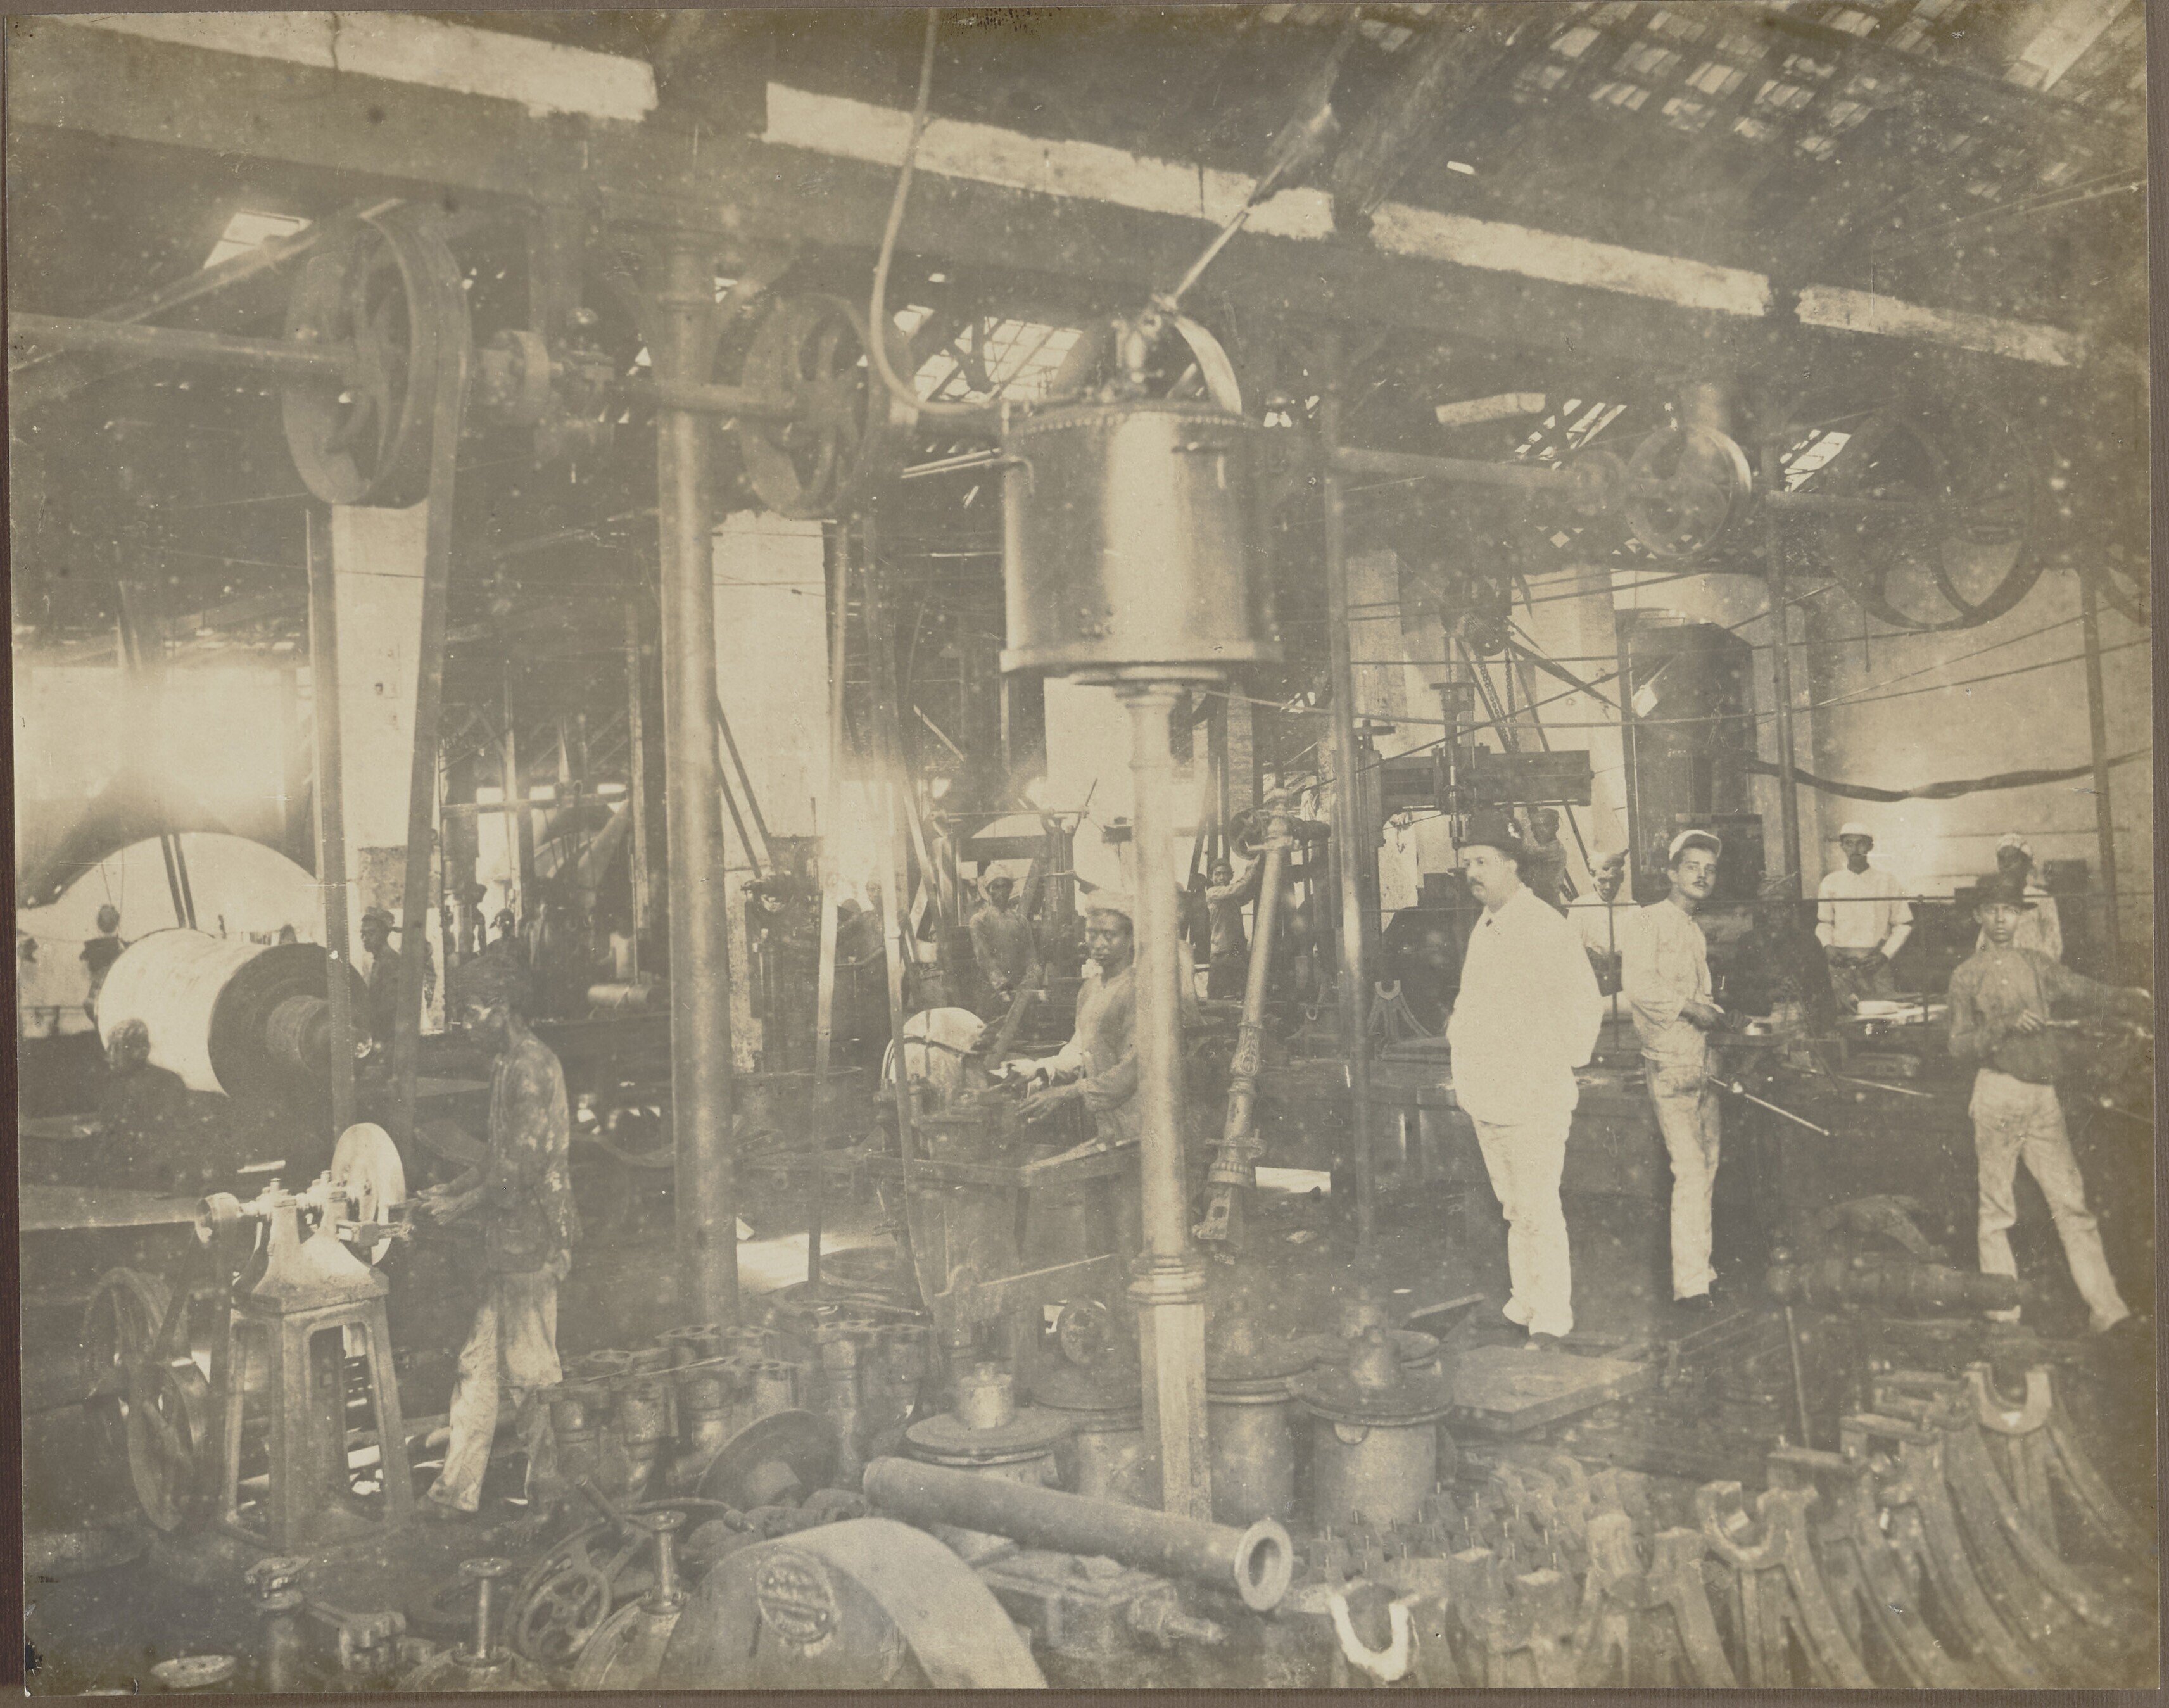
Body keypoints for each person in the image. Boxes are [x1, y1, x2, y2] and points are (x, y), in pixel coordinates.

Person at [1946, 871, 2147, 1335]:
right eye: (1992, 910)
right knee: (1996, 1211)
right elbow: (1957, 1046)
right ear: (1978, 916)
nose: (2001, 919)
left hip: (2042, 1098)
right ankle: (2002, 1315)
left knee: (2072, 1206)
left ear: (2020, 916)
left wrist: (2124, 998)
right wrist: (2003, 1025)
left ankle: (2108, 1312)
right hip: (1997, 1094)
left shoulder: (2037, 964)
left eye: (2009, 910)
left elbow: (2081, 989)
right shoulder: (1966, 975)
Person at [418, 951, 582, 1521]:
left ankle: (552, 1495)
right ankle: (454, 1491)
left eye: (470, 1012)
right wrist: (451, 1188)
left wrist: (460, 1205)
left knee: (533, 1372)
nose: (465, 1024)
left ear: (502, 1007)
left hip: (533, 1239)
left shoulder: (532, 1067)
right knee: (478, 1365)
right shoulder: (505, 1063)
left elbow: (521, 1170)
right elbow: (496, 1154)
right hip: (505, 1241)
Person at [1445, 813, 1603, 1348]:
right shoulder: (1487, 924)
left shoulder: (1542, 925)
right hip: (1491, 1093)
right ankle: (1525, 1301)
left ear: (1512, 865)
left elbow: (1582, 1004)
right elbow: (1471, 1004)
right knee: (1513, 1205)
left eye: (1482, 861)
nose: (1472, 872)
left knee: (1537, 1207)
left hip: (1532, 1094)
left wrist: (1548, 1066)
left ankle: (1551, 1318)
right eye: (1467, 863)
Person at [1621, 830, 1730, 1313]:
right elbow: (1638, 985)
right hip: (1669, 1062)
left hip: (1701, 1059)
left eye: (1709, 869)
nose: (1702, 875)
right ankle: (1690, 1286)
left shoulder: (1693, 928)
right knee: (1689, 1170)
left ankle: (1700, 1268)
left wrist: (1717, 1012)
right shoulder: (1646, 921)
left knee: (1707, 1167)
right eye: (1692, 866)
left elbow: (1701, 996)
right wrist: (1692, 1007)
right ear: (1671, 872)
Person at [1011, 892, 1146, 1153]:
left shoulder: (1138, 990)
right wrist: (1041, 1069)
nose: (1099, 944)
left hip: (1138, 1123)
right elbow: (1079, 1048)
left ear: (1130, 938)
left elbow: (1132, 1071)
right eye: (1092, 934)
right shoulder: (1089, 989)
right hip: (1103, 1124)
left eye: (1109, 935)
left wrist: (1068, 1092)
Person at [1816, 821, 1912, 1008]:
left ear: (1870, 846)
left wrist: (1885, 955)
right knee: (1842, 1013)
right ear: (1842, 847)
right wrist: (1828, 947)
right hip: (1841, 964)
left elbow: (1904, 924)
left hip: (1875, 963)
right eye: (1849, 843)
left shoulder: (1887, 882)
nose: (1855, 849)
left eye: (1861, 843)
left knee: (1883, 1014)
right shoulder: (1831, 882)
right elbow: (1824, 922)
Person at [1974, 833, 2062, 963]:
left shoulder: (2042, 899)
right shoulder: (1995, 897)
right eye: (2002, 859)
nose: (2006, 865)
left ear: (2026, 864)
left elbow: (2053, 942)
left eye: (2012, 859)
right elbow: (1984, 942)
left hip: (2034, 966)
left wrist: (2040, 967)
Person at [1570, 851, 1631, 1017]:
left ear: (1622, 878)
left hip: (1622, 986)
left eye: (1613, 880)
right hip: (1590, 983)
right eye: (1602, 881)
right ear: (1592, 878)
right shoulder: (1580, 907)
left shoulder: (1633, 908)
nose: (1608, 887)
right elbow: (1571, 951)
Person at [969, 875, 1040, 1011]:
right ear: (988, 890)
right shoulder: (979, 921)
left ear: (1010, 889)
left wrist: (1030, 980)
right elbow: (984, 959)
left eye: (1005, 887)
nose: (1001, 892)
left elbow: (1031, 956)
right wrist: (1002, 984)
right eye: (996, 887)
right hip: (991, 992)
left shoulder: (1021, 921)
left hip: (1020, 990)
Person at [1202, 855, 1265, 1000]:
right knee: (1215, 998)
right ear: (1211, 877)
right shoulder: (1213, 893)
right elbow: (1238, 888)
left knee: (1243, 992)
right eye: (1218, 874)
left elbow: (1246, 892)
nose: (1222, 877)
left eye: (1225, 874)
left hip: (1235, 948)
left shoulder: (1232, 898)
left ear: (1230, 876)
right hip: (1220, 952)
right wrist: (1251, 869)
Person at [359, 907, 403, 1050]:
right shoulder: (379, 962)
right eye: (363, 934)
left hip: (390, 1041)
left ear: (384, 934)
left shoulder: (391, 963)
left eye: (371, 933)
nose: (365, 939)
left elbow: (387, 1011)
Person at [1524, 808, 1574, 914]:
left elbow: (1525, 853)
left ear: (1556, 827)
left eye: (1545, 826)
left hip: (1548, 901)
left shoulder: (1553, 849)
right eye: (1535, 827)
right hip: (1540, 900)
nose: (1539, 831)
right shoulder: (1542, 848)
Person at [81, 903, 125, 1021]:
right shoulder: (123, 947)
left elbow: (86, 973)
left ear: (98, 925)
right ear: (117, 925)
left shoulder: (90, 948)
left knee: (91, 1005)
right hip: (117, 994)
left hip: (97, 995)